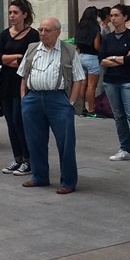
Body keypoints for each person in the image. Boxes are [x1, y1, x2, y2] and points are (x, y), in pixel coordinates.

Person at [18, 17, 85, 194]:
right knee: (35, 141)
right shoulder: (32, 49)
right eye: (40, 30)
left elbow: (79, 78)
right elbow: (23, 75)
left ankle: (68, 182)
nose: (42, 33)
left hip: (58, 100)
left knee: (66, 143)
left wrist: (70, 102)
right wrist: (24, 98)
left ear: (57, 32)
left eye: (47, 30)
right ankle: (39, 177)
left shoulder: (69, 51)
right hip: (33, 99)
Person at [0, 0, 40, 176]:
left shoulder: (33, 34)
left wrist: (10, 58)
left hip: (22, 84)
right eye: (10, 12)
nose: (12, 16)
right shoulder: (5, 34)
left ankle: (29, 160)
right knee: (11, 123)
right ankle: (18, 158)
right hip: (6, 83)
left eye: (15, 13)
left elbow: (28, 60)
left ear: (24, 15)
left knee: (20, 122)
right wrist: (15, 57)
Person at [98, 4, 130, 167]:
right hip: (111, 82)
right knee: (119, 117)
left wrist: (113, 58)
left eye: (116, 15)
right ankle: (126, 149)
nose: (113, 18)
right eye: (111, 15)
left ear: (125, 17)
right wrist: (121, 58)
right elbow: (101, 59)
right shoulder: (108, 38)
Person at [74, 6, 102, 117]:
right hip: (92, 58)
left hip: (80, 57)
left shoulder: (80, 27)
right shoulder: (95, 27)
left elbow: (76, 43)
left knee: (82, 84)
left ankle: (82, 109)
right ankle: (91, 110)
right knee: (91, 86)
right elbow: (96, 45)